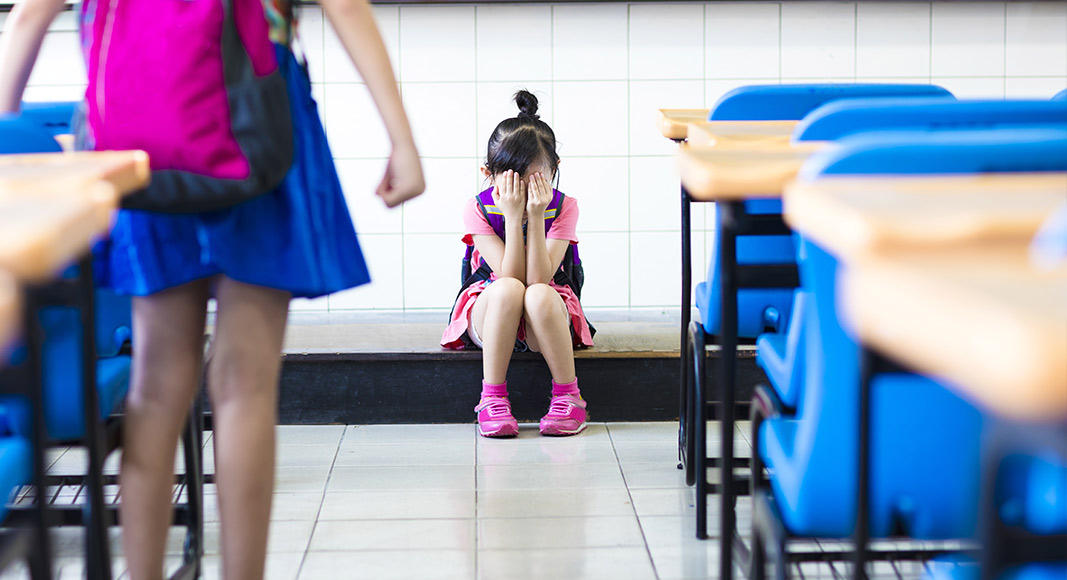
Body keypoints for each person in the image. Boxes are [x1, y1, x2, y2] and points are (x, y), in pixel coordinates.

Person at [0, 1, 424, 578]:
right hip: (260, 129)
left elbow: (29, 16)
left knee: (154, 387)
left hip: (146, 143)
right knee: (243, 385)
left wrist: (6, 138)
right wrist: (401, 139)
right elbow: (344, 4)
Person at [441, 90, 593, 438]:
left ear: (554, 171)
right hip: (495, 307)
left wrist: (536, 217)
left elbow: (540, 279)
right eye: (512, 183)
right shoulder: (477, 208)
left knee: (538, 293)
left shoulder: (563, 207)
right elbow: (510, 278)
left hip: (544, 313)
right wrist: (512, 217)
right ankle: (492, 398)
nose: (523, 195)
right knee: (509, 287)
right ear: (488, 174)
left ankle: (569, 398)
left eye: (535, 183)